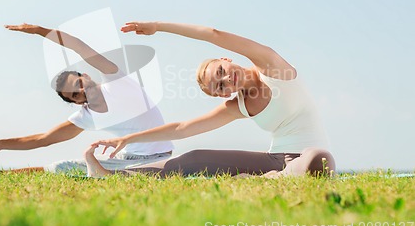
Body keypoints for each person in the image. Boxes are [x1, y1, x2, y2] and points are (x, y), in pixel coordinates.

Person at [91, 21, 335, 177]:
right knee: (195, 158)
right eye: (220, 87)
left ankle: (267, 180)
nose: (227, 80)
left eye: (221, 72)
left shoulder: (272, 67)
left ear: (225, 59)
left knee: (318, 159)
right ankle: (114, 176)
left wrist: (158, 26)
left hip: (309, 157)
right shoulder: (238, 105)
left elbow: (213, 34)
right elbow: (182, 129)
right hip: (275, 160)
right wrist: (127, 138)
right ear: (224, 95)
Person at [0, 23, 173, 173]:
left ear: (85, 76)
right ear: (75, 102)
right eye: (75, 95)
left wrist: (40, 31)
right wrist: (0, 143)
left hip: (159, 157)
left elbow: (78, 46)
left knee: (117, 175)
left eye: (79, 84)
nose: (82, 91)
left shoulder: (116, 80)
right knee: (63, 167)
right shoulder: (86, 116)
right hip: (126, 159)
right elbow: (43, 139)